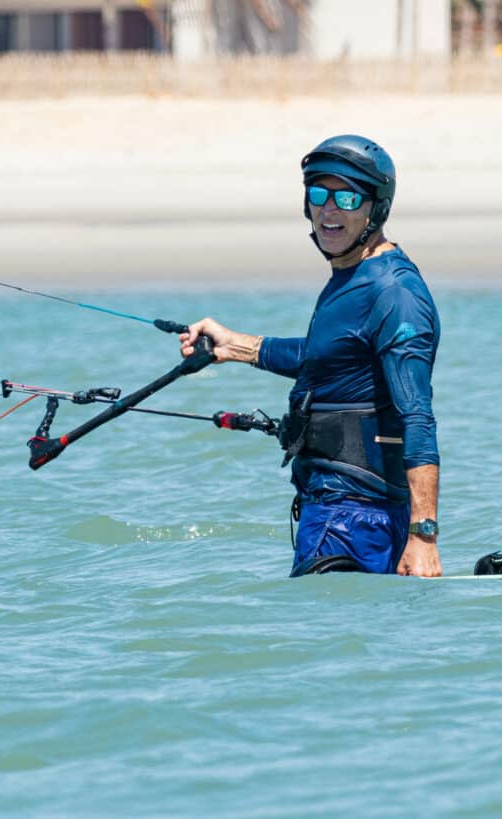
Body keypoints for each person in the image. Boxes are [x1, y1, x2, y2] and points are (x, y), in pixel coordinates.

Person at [180, 134, 442, 577]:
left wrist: (424, 537)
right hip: (346, 513)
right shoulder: (355, 275)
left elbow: (417, 415)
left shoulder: (393, 292)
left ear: (375, 207)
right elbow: (331, 357)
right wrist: (237, 346)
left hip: (351, 519)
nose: (328, 210)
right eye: (318, 194)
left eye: (346, 197)